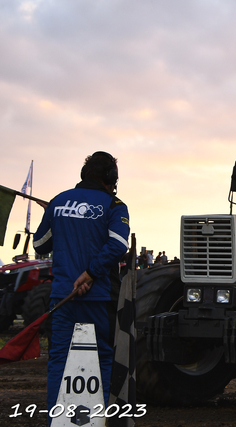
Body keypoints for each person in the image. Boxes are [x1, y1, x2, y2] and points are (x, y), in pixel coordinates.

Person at [33, 151, 130, 419]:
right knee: (103, 360)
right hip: (99, 298)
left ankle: (58, 421)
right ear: (111, 178)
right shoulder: (114, 205)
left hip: (63, 298)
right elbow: (119, 245)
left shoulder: (58, 202)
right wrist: (90, 273)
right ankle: (99, 420)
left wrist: (54, 217)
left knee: (59, 362)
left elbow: (40, 245)